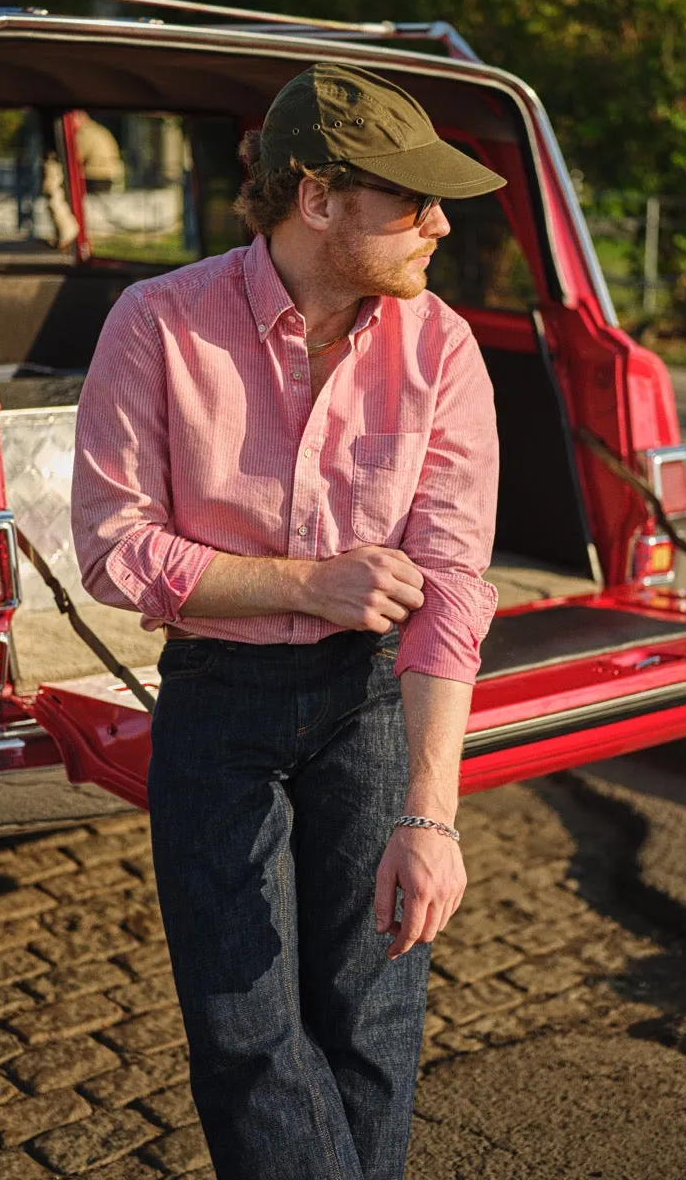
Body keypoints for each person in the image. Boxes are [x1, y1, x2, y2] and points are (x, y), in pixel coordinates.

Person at [71, 62, 505, 1180]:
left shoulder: (443, 345)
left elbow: (451, 580)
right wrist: (307, 580)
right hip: (217, 698)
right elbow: (118, 547)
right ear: (317, 199)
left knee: (374, 1010)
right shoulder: (156, 324)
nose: (440, 224)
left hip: (372, 700)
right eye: (411, 200)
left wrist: (432, 815)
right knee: (242, 1023)